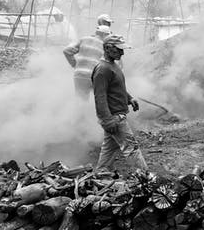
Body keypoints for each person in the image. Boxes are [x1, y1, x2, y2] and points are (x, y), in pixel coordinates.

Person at [91, 34, 147, 172]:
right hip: (115, 118)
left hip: (116, 116)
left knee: (109, 150)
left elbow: (116, 88)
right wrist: (107, 120)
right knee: (132, 149)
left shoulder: (112, 66)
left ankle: (101, 173)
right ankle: (146, 179)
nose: (122, 52)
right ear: (108, 48)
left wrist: (129, 98)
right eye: (118, 49)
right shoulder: (102, 69)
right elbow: (100, 97)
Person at [63, 18, 114, 97]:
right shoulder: (104, 46)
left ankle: (79, 109)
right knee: (100, 98)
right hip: (94, 76)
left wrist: (75, 65)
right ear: (104, 35)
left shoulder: (84, 39)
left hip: (79, 75)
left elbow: (67, 51)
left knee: (81, 100)